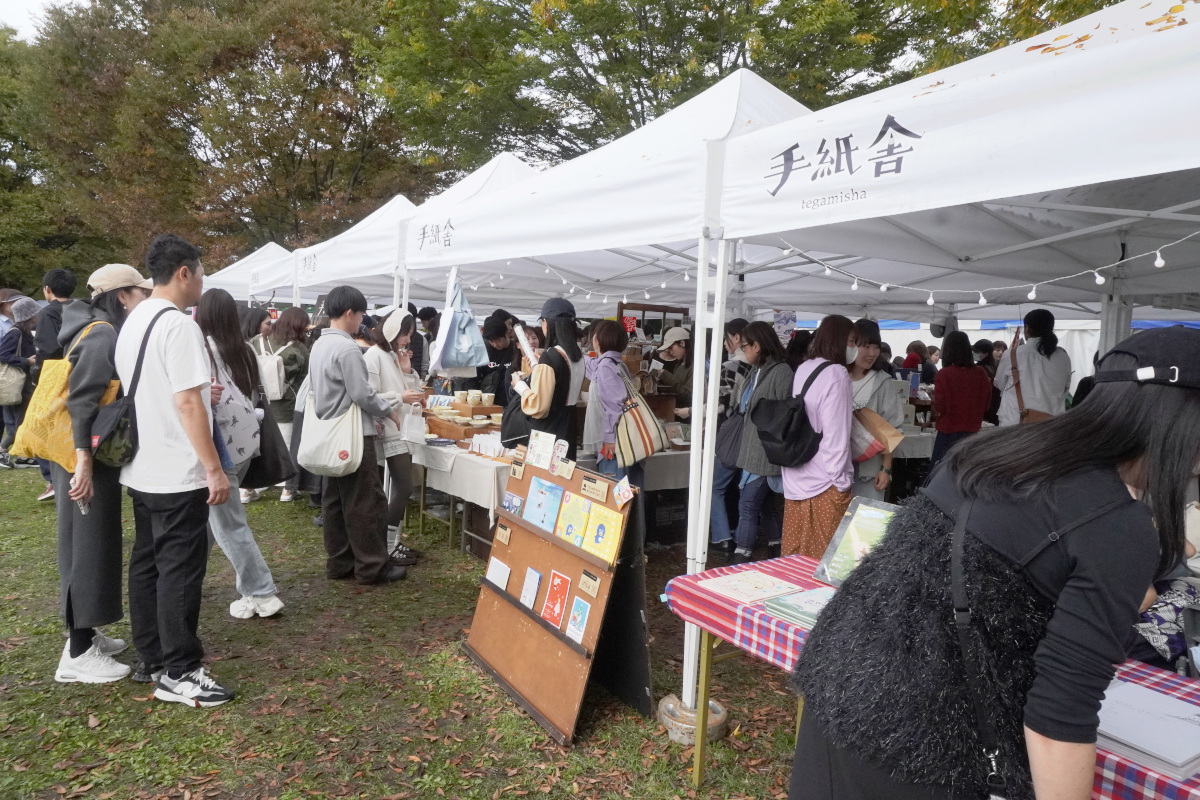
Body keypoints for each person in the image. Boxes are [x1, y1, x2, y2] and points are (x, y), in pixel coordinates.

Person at [788, 326, 1200, 800]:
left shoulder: (995, 452)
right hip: (926, 745)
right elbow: (1059, 716)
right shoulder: (1114, 523)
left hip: (838, 680)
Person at [117, 233, 234, 707]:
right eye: (202, 271)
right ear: (183, 272)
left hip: (142, 466)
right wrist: (214, 468)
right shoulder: (179, 326)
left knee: (147, 562)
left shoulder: (135, 318)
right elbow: (188, 402)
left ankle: (152, 656)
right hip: (176, 469)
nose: (204, 281)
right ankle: (180, 670)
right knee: (179, 570)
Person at [49, 265, 152, 683]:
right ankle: (76, 653)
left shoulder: (87, 327)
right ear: (122, 295)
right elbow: (83, 400)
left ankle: (86, 636)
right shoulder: (104, 333)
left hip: (83, 452)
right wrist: (84, 462)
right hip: (83, 454)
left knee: (91, 542)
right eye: (141, 292)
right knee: (87, 546)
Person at [196, 289, 285, 621]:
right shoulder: (245, 350)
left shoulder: (202, 349)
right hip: (247, 441)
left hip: (218, 446)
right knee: (210, 519)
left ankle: (261, 591)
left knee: (228, 522)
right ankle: (190, 578)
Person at [309, 285, 407, 585]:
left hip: (329, 431)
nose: (362, 320)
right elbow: (362, 393)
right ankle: (372, 566)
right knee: (366, 501)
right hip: (352, 434)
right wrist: (386, 410)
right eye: (361, 313)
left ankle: (340, 563)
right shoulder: (347, 348)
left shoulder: (319, 345)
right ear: (350, 313)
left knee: (336, 501)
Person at [781, 315, 854, 559]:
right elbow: (836, 435)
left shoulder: (804, 367)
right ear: (840, 340)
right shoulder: (837, 373)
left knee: (794, 561)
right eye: (853, 341)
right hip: (825, 480)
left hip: (795, 475)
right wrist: (841, 481)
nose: (855, 348)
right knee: (825, 562)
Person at [363, 309, 426, 559]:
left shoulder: (390, 355)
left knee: (402, 487)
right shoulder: (374, 356)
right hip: (388, 429)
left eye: (409, 335)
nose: (407, 340)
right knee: (403, 487)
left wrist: (408, 370)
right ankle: (389, 546)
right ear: (393, 331)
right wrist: (400, 396)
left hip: (401, 428)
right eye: (405, 334)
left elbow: (413, 391)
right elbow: (369, 395)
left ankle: (392, 543)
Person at [731, 322, 793, 563]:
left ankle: (741, 555)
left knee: (747, 506)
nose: (743, 350)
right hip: (756, 450)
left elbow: (785, 410)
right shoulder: (760, 370)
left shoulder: (781, 371)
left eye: (745, 346)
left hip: (764, 451)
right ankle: (775, 549)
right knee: (766, 506)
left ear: (757, 345)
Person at [246, 306, 309, 503]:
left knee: (256, 445)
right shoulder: (298, 349)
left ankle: (248, 488)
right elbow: (305, 378)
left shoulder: (256, 342)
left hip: (258, 402)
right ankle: (287, 489)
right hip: (287, 404)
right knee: (289, 446)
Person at [511, 298, 583, 460]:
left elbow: (539, 407)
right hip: (569, 428)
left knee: (544, 483)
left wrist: (520, 385)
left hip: (548, 434)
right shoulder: (577, 356)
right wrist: (538, 368)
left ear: (546, 323)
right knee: (564, 479)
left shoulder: (550, 357)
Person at [846, 319, 903, 501]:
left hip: (869, 471)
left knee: (864, 523)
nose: (872, 353)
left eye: (876, 347)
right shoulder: (836, 376)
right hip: (835, 470)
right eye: (865, 346)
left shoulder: (882, 382)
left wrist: (885, 468)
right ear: (851, 345)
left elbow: (892, 428)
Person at [585, 320, 644, 485]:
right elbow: (591, 367)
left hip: (614, 445)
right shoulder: (615, 363)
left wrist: (610, 438)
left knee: (615, 494)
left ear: (598, 339)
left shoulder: (606, 367)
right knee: (628, 490)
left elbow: (614, 407)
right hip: (624, 441)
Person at [712, 319, 753, 555]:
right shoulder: (758, 367)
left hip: (729, 435)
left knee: (714, 489)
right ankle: (740, 534)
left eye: (727, 337)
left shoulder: (730, 366)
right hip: (751, 437)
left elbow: (721, 406)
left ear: (736, 338)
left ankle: (722, 537)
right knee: (742, 490)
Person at [994, 309, 1072, 426]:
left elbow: (999, 384)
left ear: (1028, 328)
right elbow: (1066, 388)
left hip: (1014, 422)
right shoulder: (1063, 356)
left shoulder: (1012, 354)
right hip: (1051, 423)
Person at [930, 331, 992, 467]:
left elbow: (941, 405)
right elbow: (987, 404)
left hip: (948, 432)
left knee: (941, 475)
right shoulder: (981, 373)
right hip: (973, 431)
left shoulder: (944, 374)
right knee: (966, 475)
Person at [0, 297, 39, 469]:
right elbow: (3, 355)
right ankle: (2, 450)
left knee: (22, 420)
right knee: (19, 421)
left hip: (23, 382)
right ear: (29, 316)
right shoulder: (15, 332)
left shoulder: (24, 332)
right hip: (17, 382)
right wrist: (26, 361)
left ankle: (24, 455)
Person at [652, 327, 693, 412]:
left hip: (685, 416)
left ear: (682, 343)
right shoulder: (679, 363)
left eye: (671, 348)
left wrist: (666, 376)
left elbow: (690, 396)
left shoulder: (694, 367)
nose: (670, 352)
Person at [971, 338, 1001, 426]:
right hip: (996, 408)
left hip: (986, 410)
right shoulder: (996, 366)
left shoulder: (979, 369)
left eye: (977, 352)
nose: (974, 354)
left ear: (986, 354)